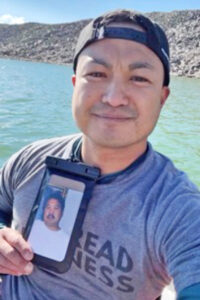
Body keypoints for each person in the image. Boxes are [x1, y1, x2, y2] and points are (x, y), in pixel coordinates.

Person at [0, 8, 200, 300]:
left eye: (139, 78)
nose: (114, 98)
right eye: (96, 74)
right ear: (74, 86)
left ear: (162, 97)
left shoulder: (178, 208)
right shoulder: (31, 159)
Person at [27, 192, 69, 261]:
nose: (51, 212)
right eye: (48, 207)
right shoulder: (33, 225)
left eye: (56, 208)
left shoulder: (66, 240)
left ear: (62, 212)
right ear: (43, 210)